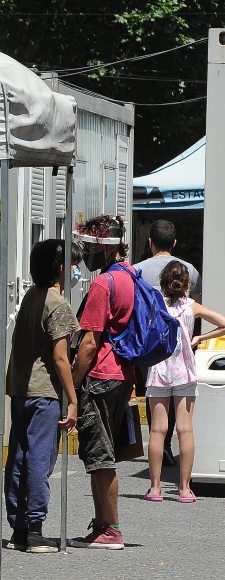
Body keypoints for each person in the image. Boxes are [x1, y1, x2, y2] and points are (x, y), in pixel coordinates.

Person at [3, 239, 82, 553]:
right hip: (44, 392)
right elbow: (61, 358)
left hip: (21, 389)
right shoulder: (58, 304)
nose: (75, 271)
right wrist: (73, 399)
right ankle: (36, 530)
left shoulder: (30, 297)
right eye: (73, 265)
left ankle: (20, 528)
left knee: (19, 458)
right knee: (40, 459)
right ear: (60, 269)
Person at [69, 214, 134, 550]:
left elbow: (90, 343)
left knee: (100, 454)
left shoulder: (102, 284)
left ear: (104, 246)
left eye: (90, 245)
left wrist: (73, 388)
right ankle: (103, 526)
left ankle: (111, 529)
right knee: (102, 454)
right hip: (123, 374)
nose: (86, 252)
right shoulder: (130, 276)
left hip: (100, 376)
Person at [145, 261, 225, 503]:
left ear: (162, 283)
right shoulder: (192, 307)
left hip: (159, 368)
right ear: (187, 284)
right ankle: (184, 489)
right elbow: (223, 323)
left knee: (158, 430)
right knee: (185, 429)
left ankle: (156, 488)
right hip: (184, 370)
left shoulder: (154, 305)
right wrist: (200, 336)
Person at [133, 219, 202, 466]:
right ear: (174, 242)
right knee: (180, 407)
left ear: (149, 242)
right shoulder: (190, 270)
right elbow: (195, 307)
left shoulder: (136, 270)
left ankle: (159, 444)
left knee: (155, 398)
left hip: (148, 346)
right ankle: (168, 445)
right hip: (182, 348)